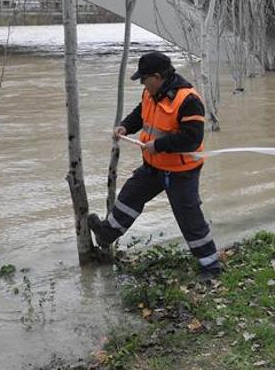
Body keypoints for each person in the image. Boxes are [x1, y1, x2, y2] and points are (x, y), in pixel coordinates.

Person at [88, 52, 222, 279]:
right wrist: (125, 127)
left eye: (144, 78)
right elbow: (140, 113)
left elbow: (192, 138)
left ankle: (210, 266)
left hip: (181, 172)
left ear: (157, 77)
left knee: (189, 218)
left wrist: (159, 145)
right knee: (129, 197)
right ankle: (105, 235)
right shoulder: (151, 93)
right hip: (153, 166)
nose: (141, 83)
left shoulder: (188, 100)